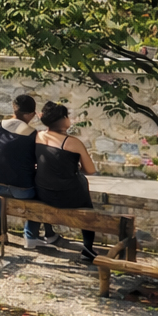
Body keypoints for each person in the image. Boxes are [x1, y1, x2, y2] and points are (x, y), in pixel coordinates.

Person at [0, 94, 58, 248]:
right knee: (41, 194)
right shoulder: (32, 134)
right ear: (31, 114)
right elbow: (37, 160)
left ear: (14, 109)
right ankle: (31, 235)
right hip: (22, 188)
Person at [34, 101, 98, 264]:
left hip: (44, 193)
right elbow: (90, 170)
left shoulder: (38, 136)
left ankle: (49, 233)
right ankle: (88, 248)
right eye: (67, 116)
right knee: (83, 185)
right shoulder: (72, 142)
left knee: (46, 180)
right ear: (63, 119)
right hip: (68, 196)